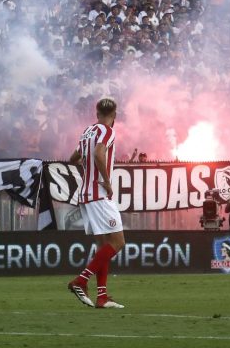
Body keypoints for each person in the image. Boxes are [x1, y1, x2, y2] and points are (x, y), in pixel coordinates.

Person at [67, 98, 125, 309]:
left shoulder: (87, 131)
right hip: (99, 194)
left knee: (103, 245)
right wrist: (108, 182)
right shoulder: (107, 131)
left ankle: (102, 297)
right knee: (118, 242)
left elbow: (73, 157)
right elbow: (99, 153)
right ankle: (81, 280)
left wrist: (86, 162)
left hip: (85, 193)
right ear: (114, 115)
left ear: (96, 112)